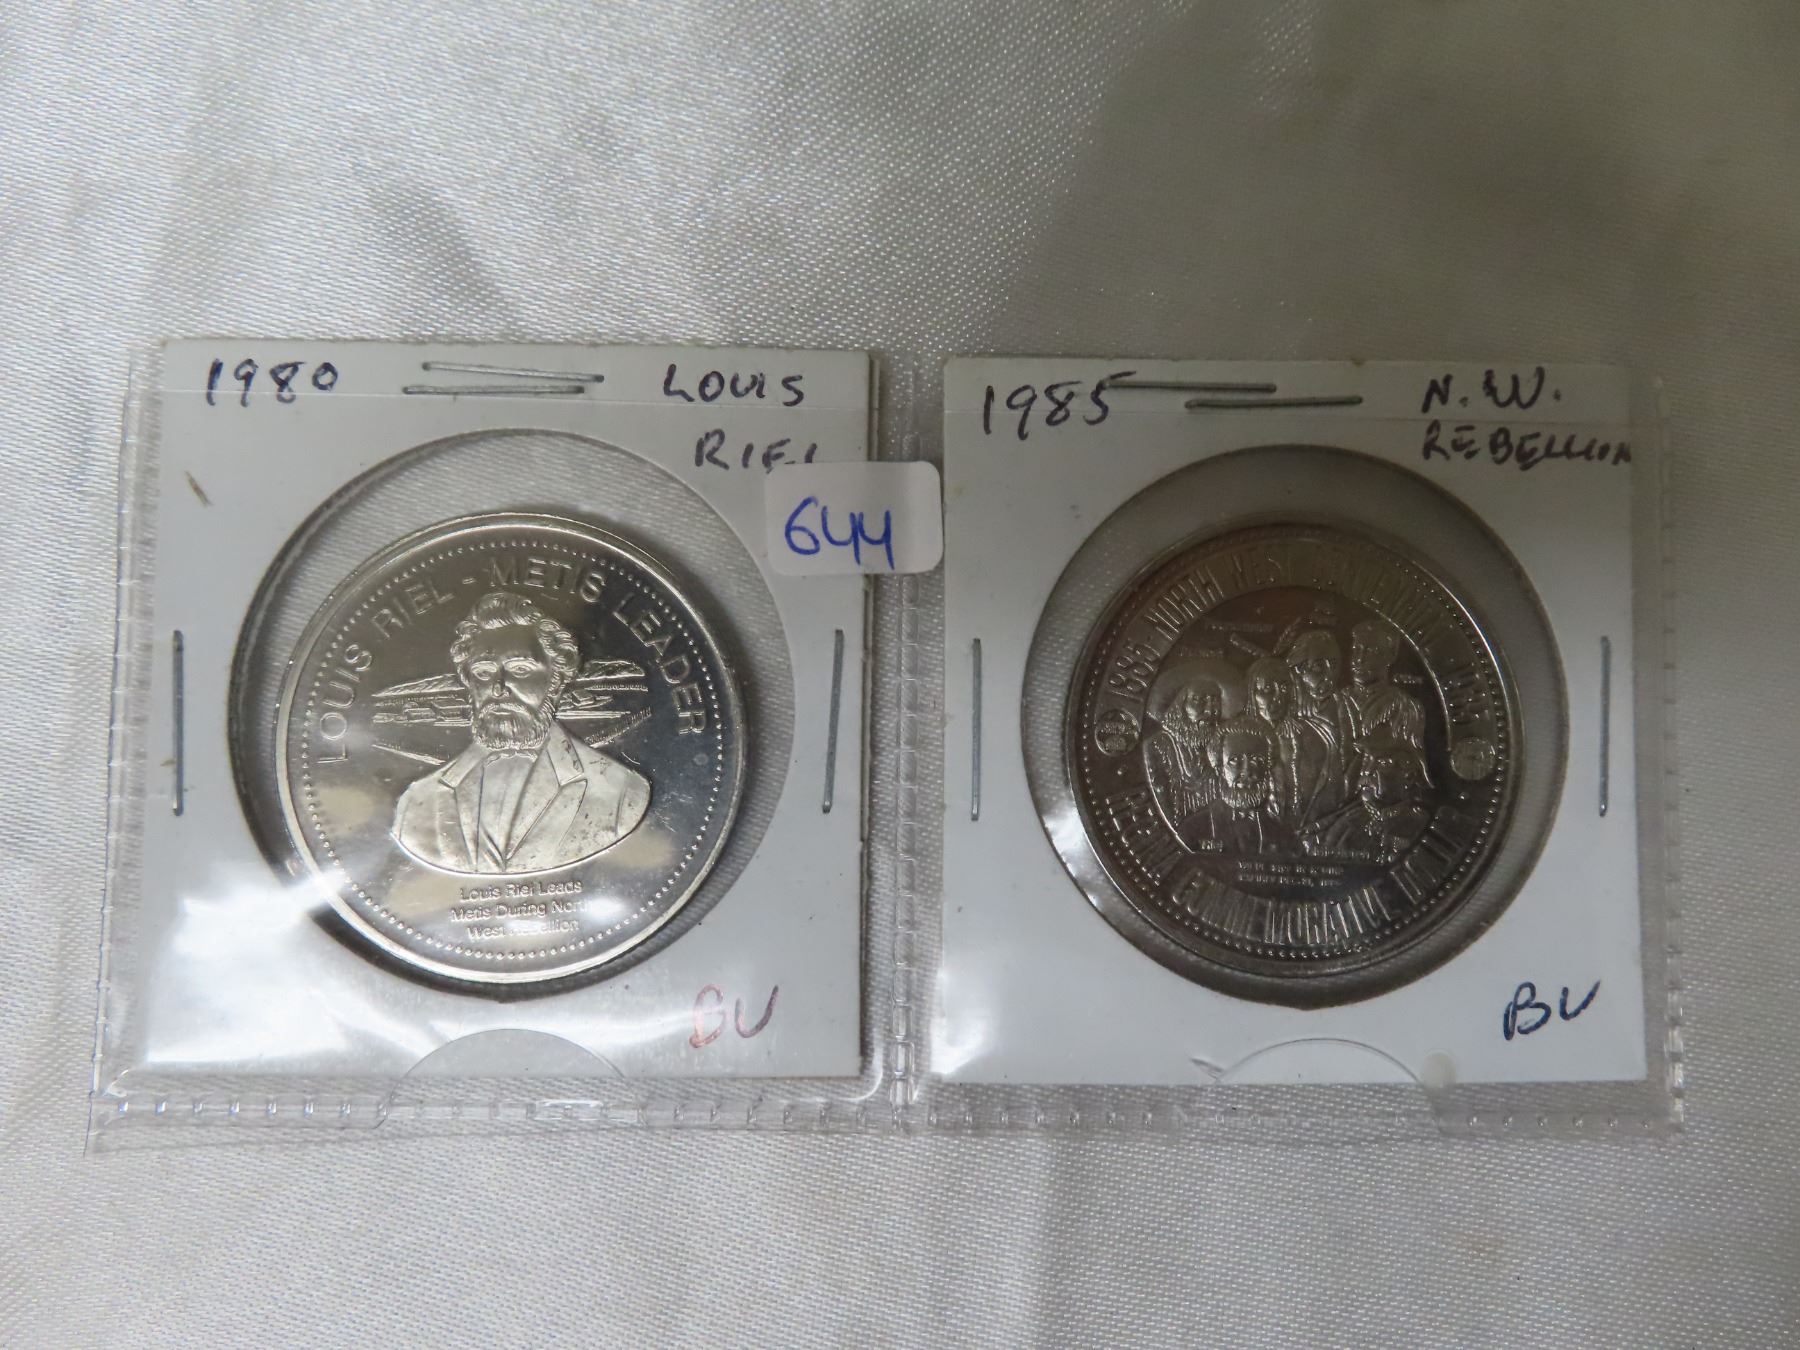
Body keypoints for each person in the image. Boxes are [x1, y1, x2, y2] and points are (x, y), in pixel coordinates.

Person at [392, 591, 651, 874]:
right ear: (469, 682)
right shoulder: (416, 802)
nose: (499, 688)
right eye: (483, 672)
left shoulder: (623, 792)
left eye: (521, 669)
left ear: (556, 679)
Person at [1301, 731, 1431, 864]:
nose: (1367, 770)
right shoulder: (1346, 821)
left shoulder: (1419, 824)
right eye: (1366, 760)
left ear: (1409, 776)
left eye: (1383, 763)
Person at [1184, 724, 1291, 855]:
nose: (1246, 771)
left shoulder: (1283, 834)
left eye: (1256, 760)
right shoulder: (1193, 829)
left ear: (1267, 769)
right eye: (1234, 760)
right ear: (1220, 768)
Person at [1341, 619, 1426, 784]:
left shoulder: (1405, 707)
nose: (1358, 659)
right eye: (1356, 650)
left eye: (1370, 651)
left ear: (1390, 656)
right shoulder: (1337, 700)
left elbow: (1411, 767)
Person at [1284, 628, 1351, 818]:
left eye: (1333, 666)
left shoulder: (1347, 705)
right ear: (1298, 671)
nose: (1328, 676)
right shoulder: (1286, 719)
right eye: (1317, 667)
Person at [1143, 678, 1223, 830]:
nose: (1209, 710)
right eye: (1198, 700)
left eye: (1214, 701)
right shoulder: (1158, 746)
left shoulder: (1225, 744)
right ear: (1179, 705)